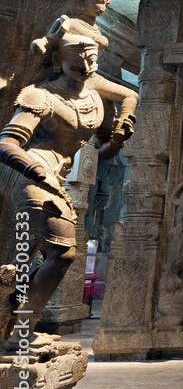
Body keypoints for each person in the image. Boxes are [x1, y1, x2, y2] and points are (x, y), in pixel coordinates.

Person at [0, 26, 135, 350]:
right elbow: (6, 144)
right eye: (77, 63)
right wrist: (38, 172)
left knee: (26, 256)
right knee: (62, 252)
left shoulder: (95, 96)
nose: (86, 69)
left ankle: (13, 332)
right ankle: (21, 332)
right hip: (28, 171)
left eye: (91, 62)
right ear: (58, 60)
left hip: (53, 175)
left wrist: (119, 134)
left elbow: (106, 150)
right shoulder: (40, 95)